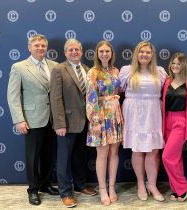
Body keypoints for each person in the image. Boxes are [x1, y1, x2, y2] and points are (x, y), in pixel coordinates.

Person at [7, 34, 59, 206]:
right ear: (29, 47)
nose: (40, 48)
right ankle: (33, 189)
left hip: (52, 119)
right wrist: (19, 120)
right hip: (31, 119)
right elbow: (13, 96)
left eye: (43, 45)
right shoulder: (19, 67)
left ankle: (45, 184)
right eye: (36, 45)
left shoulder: (55, 66)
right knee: (32, 157)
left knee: (49, 155)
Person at [50, 38, 97, 208]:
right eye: (70, 50)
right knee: (63, 159)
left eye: (77, 49)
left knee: (80, 157)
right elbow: (55, 99)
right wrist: (60, 124)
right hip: (67, 123)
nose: (74, 52)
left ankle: (80, 185)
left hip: (86, 123)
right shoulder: (58, 69)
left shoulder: (87, 69)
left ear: (81, 51)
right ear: (65, 52)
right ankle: (65, 192)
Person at [119, 41, 167, 202]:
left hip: (153, 112)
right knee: (137, 150)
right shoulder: (127, 71)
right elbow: (117, 91)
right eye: (141, 52)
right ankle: (140, 184)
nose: (144, 55)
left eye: (147, 52)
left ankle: (152, 185)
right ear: (136, 54)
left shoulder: (160, 72)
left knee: (153, 151)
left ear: (152, 55)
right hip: (133, 113)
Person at [86, 40, 123, 206]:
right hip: (100, 116)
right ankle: (102, 189)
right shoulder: (93, 72)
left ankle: (112, 187)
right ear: (97, 54)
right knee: (102, 154)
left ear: (112, 53)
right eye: (101, 51)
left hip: (115, 116)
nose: (104, 54)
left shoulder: (117, 71)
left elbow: (120, 91)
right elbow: (90, 96)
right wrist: (94, 120)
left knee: (114, 153)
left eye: (107, 51)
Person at [162, 52, 187, 202]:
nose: (175, 66)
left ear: (184, 65)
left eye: (178, 63)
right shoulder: (167, 81)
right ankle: (176, 188)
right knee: (176, 157)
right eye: (173, 63)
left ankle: (183, 186)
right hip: (167, 120)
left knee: (167, 156)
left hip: (181, 121)